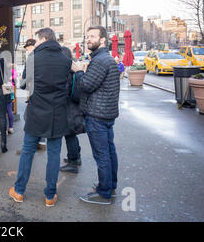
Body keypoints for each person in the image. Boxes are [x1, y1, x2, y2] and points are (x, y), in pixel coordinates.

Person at [9, 28, 72, 207]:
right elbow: (68, 85)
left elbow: (22, 84)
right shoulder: (66, 60)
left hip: (37, 112)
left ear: (44, 39)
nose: (35, 43)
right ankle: (50, 196)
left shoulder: (33, 59)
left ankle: (19, 191)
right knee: (54, 153)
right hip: (58, 113)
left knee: (28, 150)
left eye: (36, 40)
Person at [71, 26, 121, 205]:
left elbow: (86, 86)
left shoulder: (100, 61)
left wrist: (78, 71)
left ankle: (104, 192)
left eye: (92, 36)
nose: (88, 39)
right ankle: (110, 186)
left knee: (102, 155)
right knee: (109, 151)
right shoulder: (106, 59)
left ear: (103, 40)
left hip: (97, 116)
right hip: (106, 115)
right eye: (87, 36)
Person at [59, 46, 85, 174]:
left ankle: (72, 162)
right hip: (75, 106)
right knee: (72, 134)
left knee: (69, 135)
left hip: (69, 107)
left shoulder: (65, 72)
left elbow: (64, 91)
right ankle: (76, 157)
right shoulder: (74, 70)